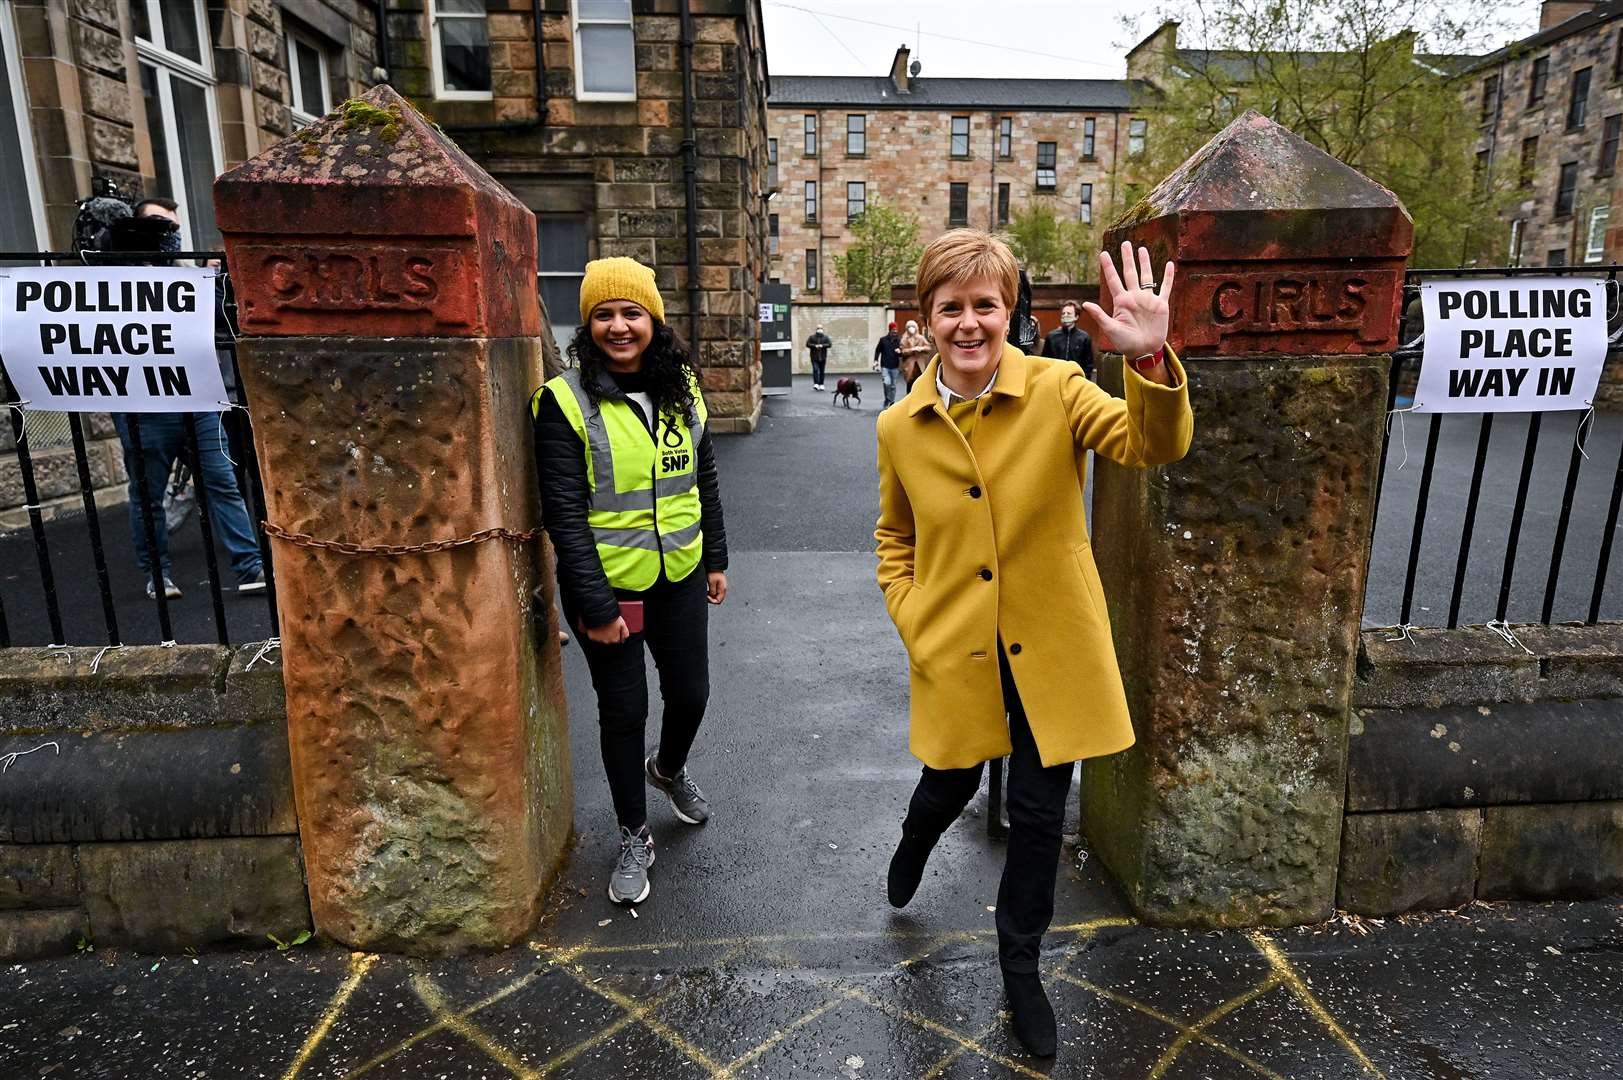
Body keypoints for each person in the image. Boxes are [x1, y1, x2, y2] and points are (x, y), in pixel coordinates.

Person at [874, 231, 1192, 1058]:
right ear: (926, 318)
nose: (969, 323)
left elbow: (1148, 444)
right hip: (955, 644)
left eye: (986, 305)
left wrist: (1148, 362)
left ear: (1011, 313)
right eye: (952, 307)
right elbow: (892, 537)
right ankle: (915, 838)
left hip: (1050, 644)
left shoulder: (1058, 385)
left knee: (1039, 815)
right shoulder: (899, 426)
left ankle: (1021, 968)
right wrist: (913, 615)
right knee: (946, 783)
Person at [531, 257, 730, 906]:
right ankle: (632, 833)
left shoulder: (684, 389)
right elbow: (563, 512)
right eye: (604, 315)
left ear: (653, 321)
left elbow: (701, 481)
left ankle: (666, 770)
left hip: (679, 574)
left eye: (631, 313)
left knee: (691, 694)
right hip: (608, 590)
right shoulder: (562, 402)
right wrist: (592, 603)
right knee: (624, 711)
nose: (619, 326)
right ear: (587, 327)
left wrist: (716, 558)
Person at [106, 197, 266, 600]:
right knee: (148, 493)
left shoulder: (187, 280)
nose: (168, 235)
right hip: (146, 405)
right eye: (158, 225)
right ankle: (157, 574)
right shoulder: (109, 276)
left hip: (199, 400)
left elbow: (222, 322)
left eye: (173, 227)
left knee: (223, 482)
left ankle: (250, 567)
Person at [1041, 299, 1095, 379]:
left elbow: (1088, 364)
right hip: (1055, 378)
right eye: (1063, 313)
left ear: (1076, 317)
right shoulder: (1051, 337)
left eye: (1069, 313)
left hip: (1076, 379)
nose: (1065, 315)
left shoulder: (1084, 338)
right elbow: (1044, 361)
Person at [873, 321, 903, 407]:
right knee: (886, 383)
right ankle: (887, 399)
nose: (895, 332)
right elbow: (877, 350)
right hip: (885, 366)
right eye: (893, 330)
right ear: (890, 330)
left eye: (896, 330)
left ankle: (891, 402)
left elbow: (902, 353)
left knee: (893, 386)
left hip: (895, 367)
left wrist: (900, 352)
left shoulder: (899, 341)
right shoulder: (883, 340)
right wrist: (875, 361)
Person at [898, 319, 931, 391]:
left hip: (919, 364)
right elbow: (902, 351)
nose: (911, 329)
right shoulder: (904, 339)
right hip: (909, 365)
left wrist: (921, 348)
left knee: (919, 382)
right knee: (910, 383)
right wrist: (911, 350)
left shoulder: (921, 338)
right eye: (909, 327)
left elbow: (928, 348)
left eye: (913, 327)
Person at [805, 323, 833, 391]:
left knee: (822, 371)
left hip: (823, 357)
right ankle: (816, 384)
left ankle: (821, 384)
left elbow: (829, 344)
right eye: (818, 328)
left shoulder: (826, 337)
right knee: (815, 370)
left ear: (822, 329)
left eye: (821, 328)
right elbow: (807, 344)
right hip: (814, 357)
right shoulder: (812, 337)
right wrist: (815, 346)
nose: (819, 329)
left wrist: (822, 345)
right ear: (816, 329)